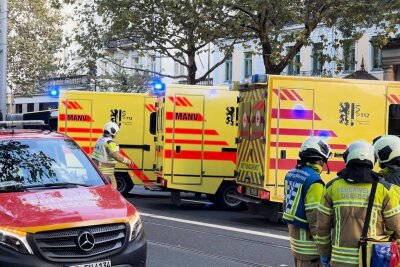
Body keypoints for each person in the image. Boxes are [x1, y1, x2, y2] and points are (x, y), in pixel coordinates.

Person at [316, 140, 400, 267]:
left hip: (339, 260)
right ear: (373, 159)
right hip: (372, 259)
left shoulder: (332, 187)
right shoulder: (384, 189)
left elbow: (322, 227)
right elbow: (396, 227)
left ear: (348, 158)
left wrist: (324, 253)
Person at [282, 137, 332, 267]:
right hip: (310, 249)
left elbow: (285, 205)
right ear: (319, 159)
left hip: (296, 244)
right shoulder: (314, 181)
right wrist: (324, 249)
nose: (323, 164)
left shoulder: (291, 174)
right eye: (323, 160)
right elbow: (316, 219)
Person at [92, 122, 132, 188]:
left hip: (97, 170)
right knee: (113, 190)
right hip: (106, 172)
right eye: (116, 132)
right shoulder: (110, 142)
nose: (116, 134)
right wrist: (128, 162)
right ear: (113, 132)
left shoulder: (100, 139)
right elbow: (116, 155)